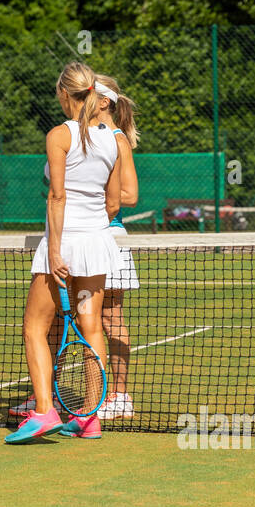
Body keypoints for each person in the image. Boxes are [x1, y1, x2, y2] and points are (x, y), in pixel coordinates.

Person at [8, 61, 122, 443]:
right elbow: (113, 202)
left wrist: (55, 251)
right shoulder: (113, 137)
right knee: (92, 329)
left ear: (63, 93)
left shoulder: (59, 134)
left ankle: (43, 412)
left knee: (34, 328)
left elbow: (57, 196)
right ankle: (90, 418)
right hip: (96, 244)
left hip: (66, 244)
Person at [94, 74, 140, 420]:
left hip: (108, 236)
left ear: (105, 101)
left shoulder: (116, 139)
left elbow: (129, 196)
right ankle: (48, 396)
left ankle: (120, 395)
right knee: (66, 317)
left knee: (110, 317)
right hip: (77, 237)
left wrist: (87, 201)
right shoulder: (78, 136)